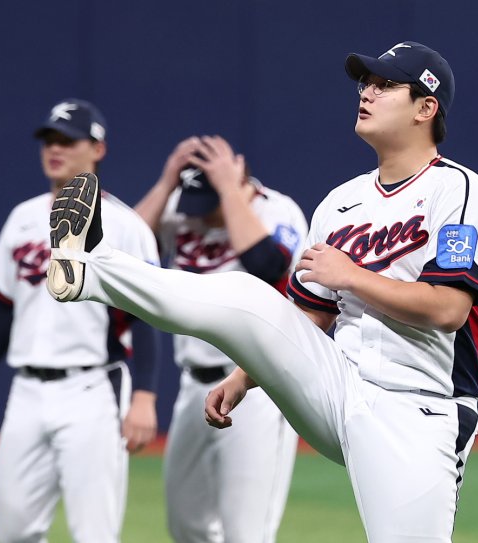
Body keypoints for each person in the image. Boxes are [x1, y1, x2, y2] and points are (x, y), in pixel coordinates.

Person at [45, 42, 478, 543]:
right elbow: (305, 316)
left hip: (420, 404)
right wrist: (243, 378)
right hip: (339, 383)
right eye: (365, 83)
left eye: (386, 84)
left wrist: (351, 275)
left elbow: (449, 309)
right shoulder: (341, 202)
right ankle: (92, 270)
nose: (367, 92)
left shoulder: (459, 191)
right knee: (251, 295)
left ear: (426, 107)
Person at [0, 98, 161, 543]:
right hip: (25, 391)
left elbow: (145, 317)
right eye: (49, 140)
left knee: (94, 533)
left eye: (68, 141)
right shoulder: (21, 219)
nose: (55, 149)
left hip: (92, 389)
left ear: (98, 150)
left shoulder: (124, 226)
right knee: (13, 531)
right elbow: (5, 307)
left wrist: (143, 394)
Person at [134, 135, 306, 542]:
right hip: (194, 384)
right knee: (186, 525)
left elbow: (270, 267)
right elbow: (125, 248)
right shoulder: (180, 213)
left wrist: (228, 189)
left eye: (208, 199)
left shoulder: (276, 209)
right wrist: (165, 184)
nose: (201, 214)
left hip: (257, 383)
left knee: (246, 533)